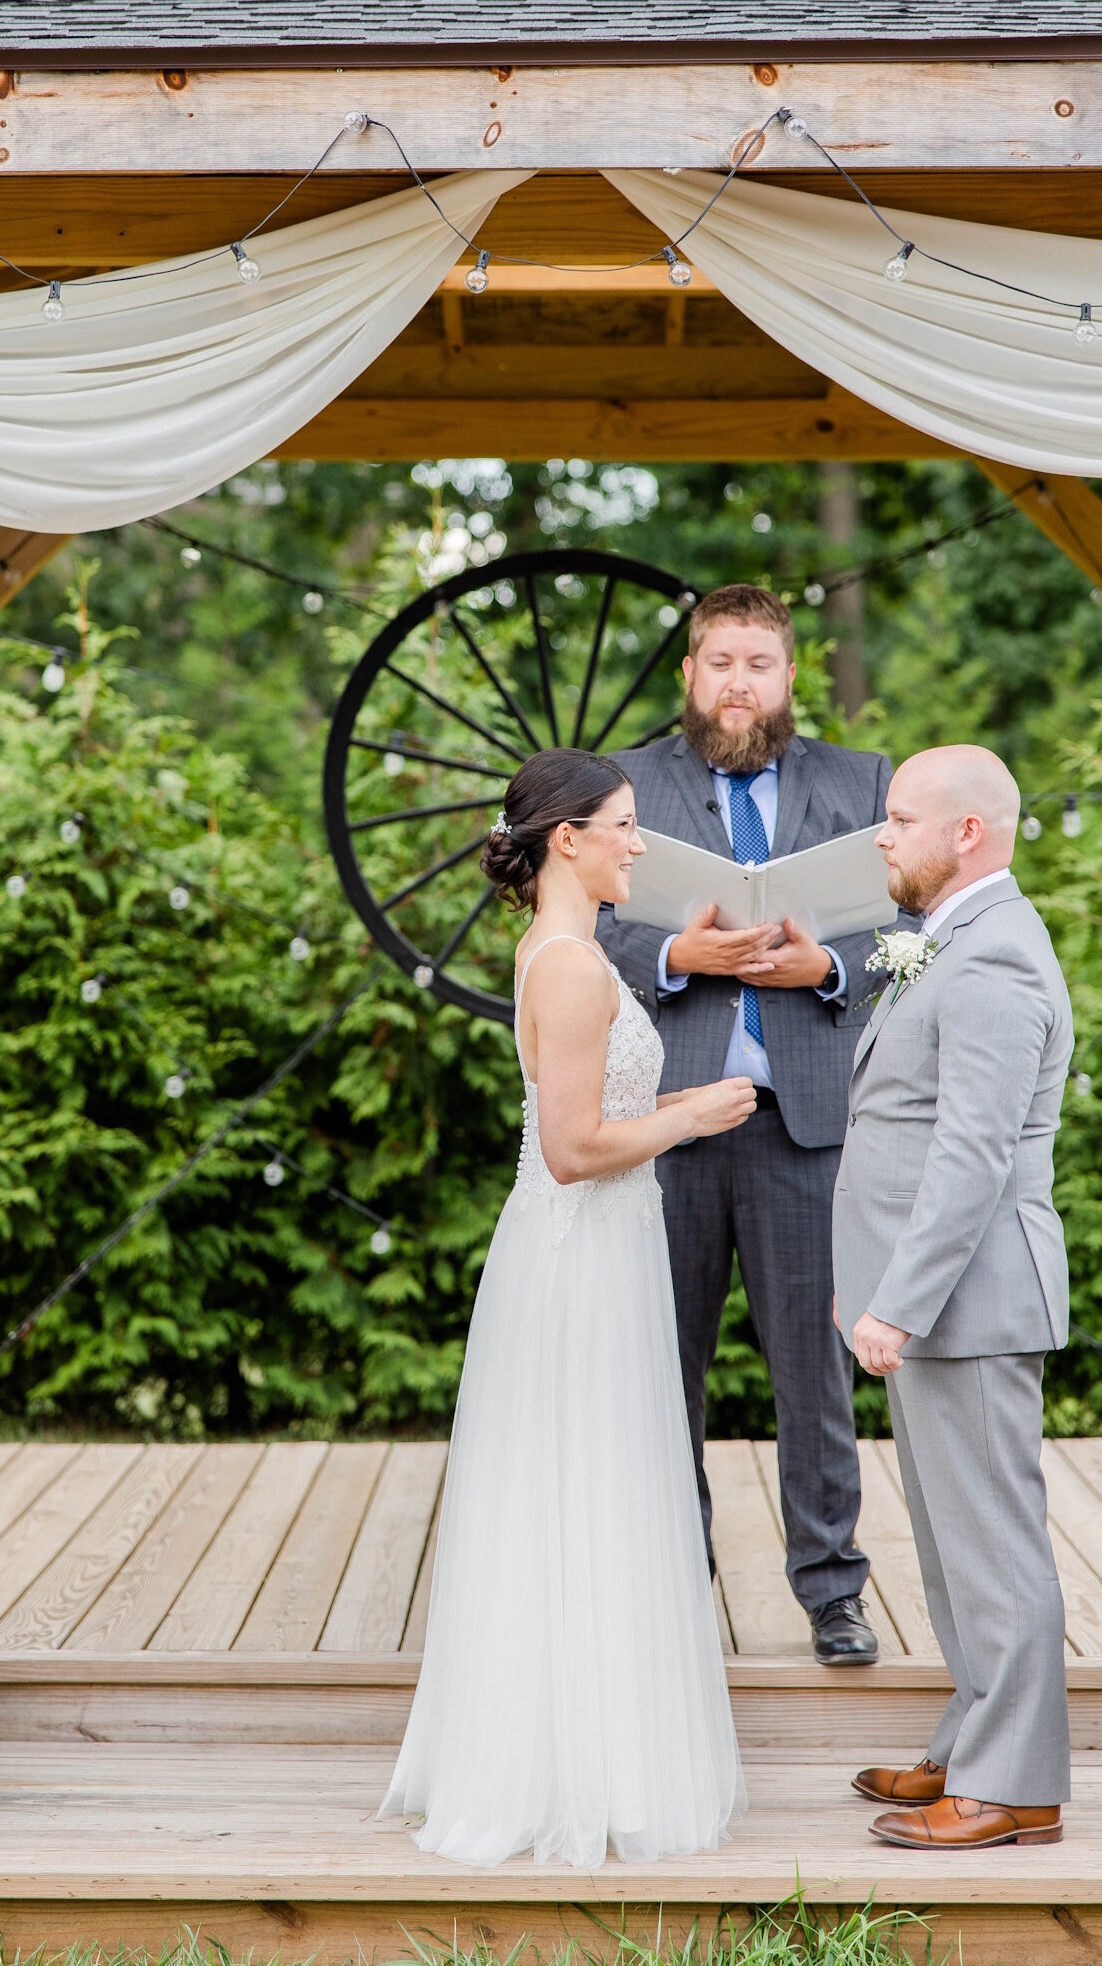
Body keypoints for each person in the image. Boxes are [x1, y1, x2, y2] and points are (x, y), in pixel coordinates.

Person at [380, 746, 753, 1869]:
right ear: (568, 840)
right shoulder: (575, 967)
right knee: (585, 1490)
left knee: (585, 1490)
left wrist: (685, 1095)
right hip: (585, 1255)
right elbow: (577, 1146)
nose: (641, 843)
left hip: (590, 1252)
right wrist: (692, 1123)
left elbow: (602, 1100)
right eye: (627, 825)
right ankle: (572, 1772)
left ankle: (577, 1751)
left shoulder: (555, 951)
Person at [598, 583, 891, 1664]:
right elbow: (580, 925)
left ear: (789, 677)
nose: (737, 683)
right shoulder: (627, 783)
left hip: (803, 1124)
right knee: (658, 1364)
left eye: (757, 663)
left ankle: (832, 1593)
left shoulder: (861, 783)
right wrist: (681, 955)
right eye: (718, 661)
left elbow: (912, 929)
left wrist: (828, 968)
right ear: (689, 674)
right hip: (666, 1125)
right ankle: (675, 1582)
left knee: (813, 1376)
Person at [834, 744, 1073, 1849]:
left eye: (897, 817)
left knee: (993, 1541)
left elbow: (972, 1154)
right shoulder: (952, 940)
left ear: (965, 832)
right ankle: (974, 1739)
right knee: (948, 1539)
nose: (880, 835)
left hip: (966, 1298)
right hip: (940, 1301)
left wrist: (900, 1301)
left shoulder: (995, 960)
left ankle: (1015, 1784)